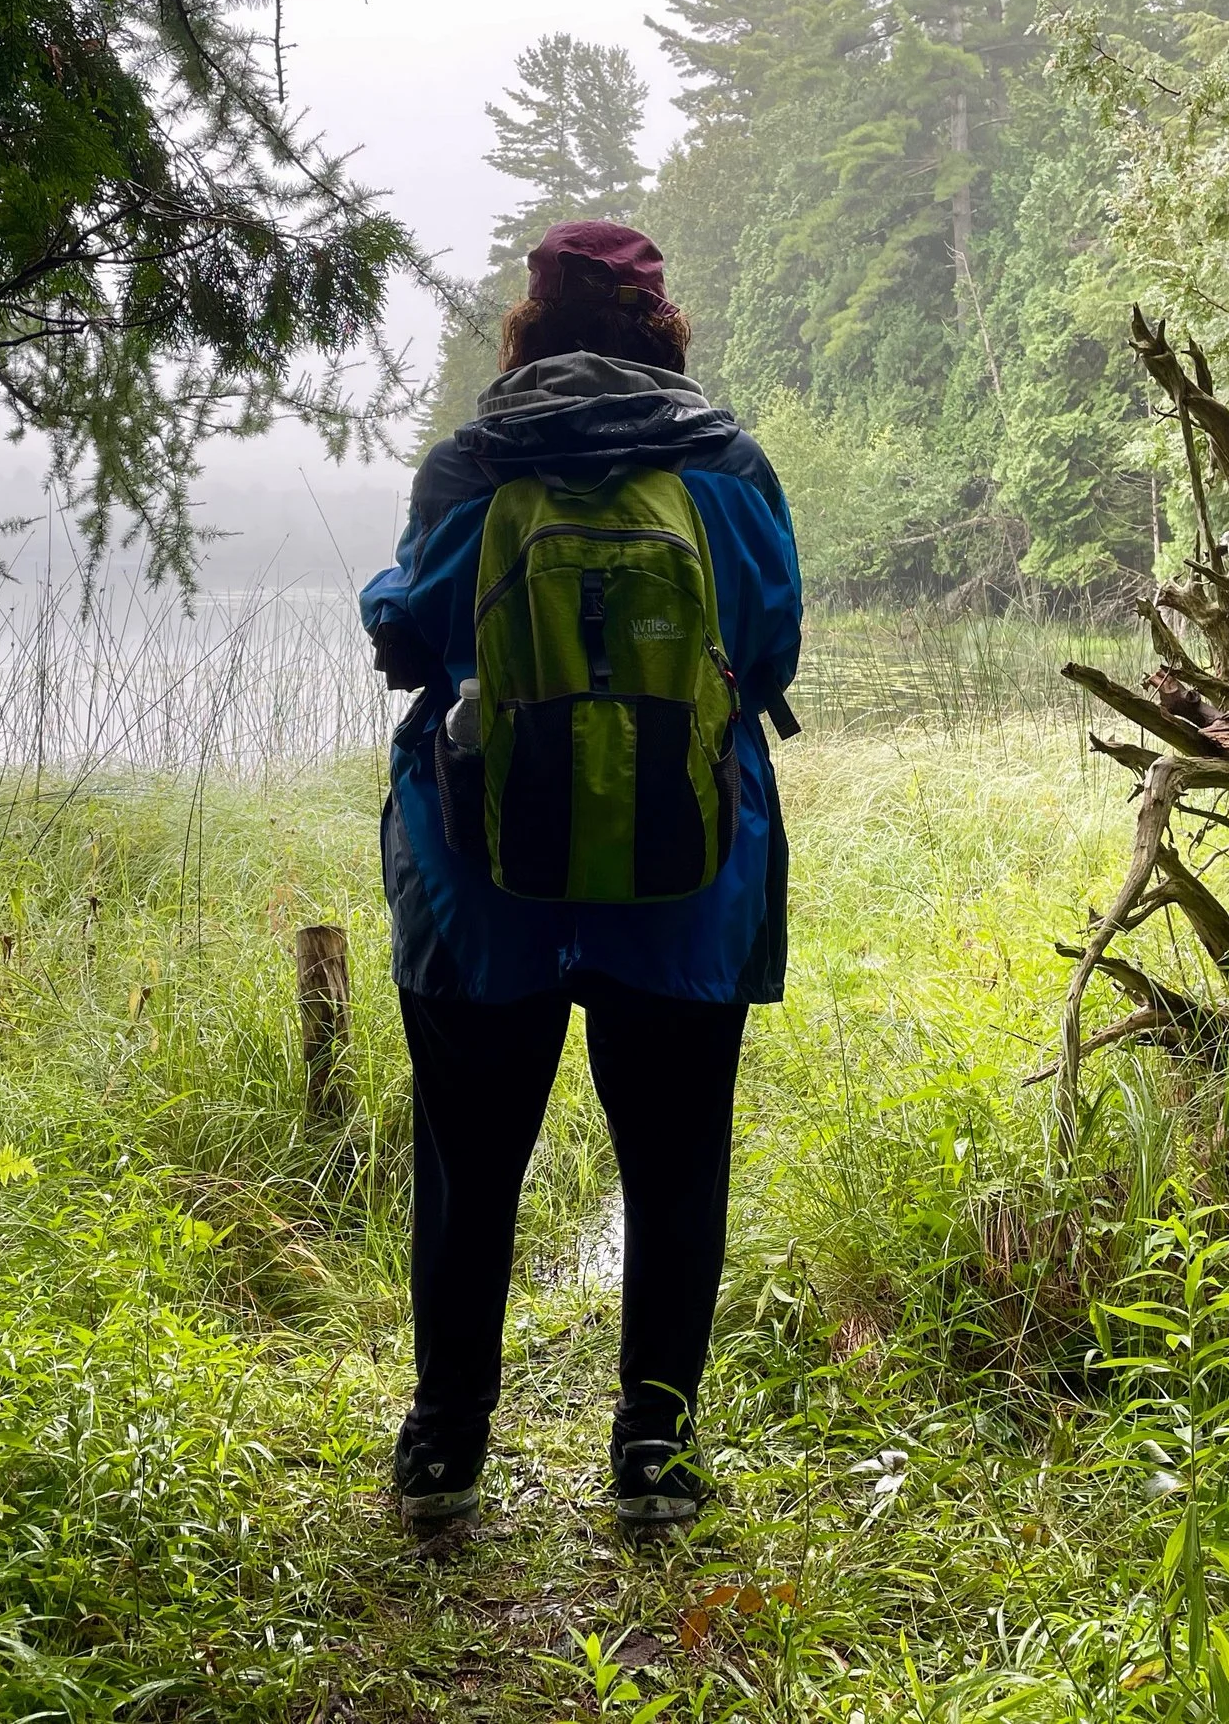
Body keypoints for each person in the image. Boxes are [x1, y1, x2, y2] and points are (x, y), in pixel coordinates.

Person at [360, 220, 803, 1529]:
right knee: (675, 1162)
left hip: (477, 877)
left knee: (469, 1157)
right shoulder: (726, 465)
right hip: (686, 874)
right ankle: (655, 1453)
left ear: (530, 325)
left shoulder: (473, 462)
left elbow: (404, 635)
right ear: (659, 326)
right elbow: (769, 648)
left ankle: (444, 1446)